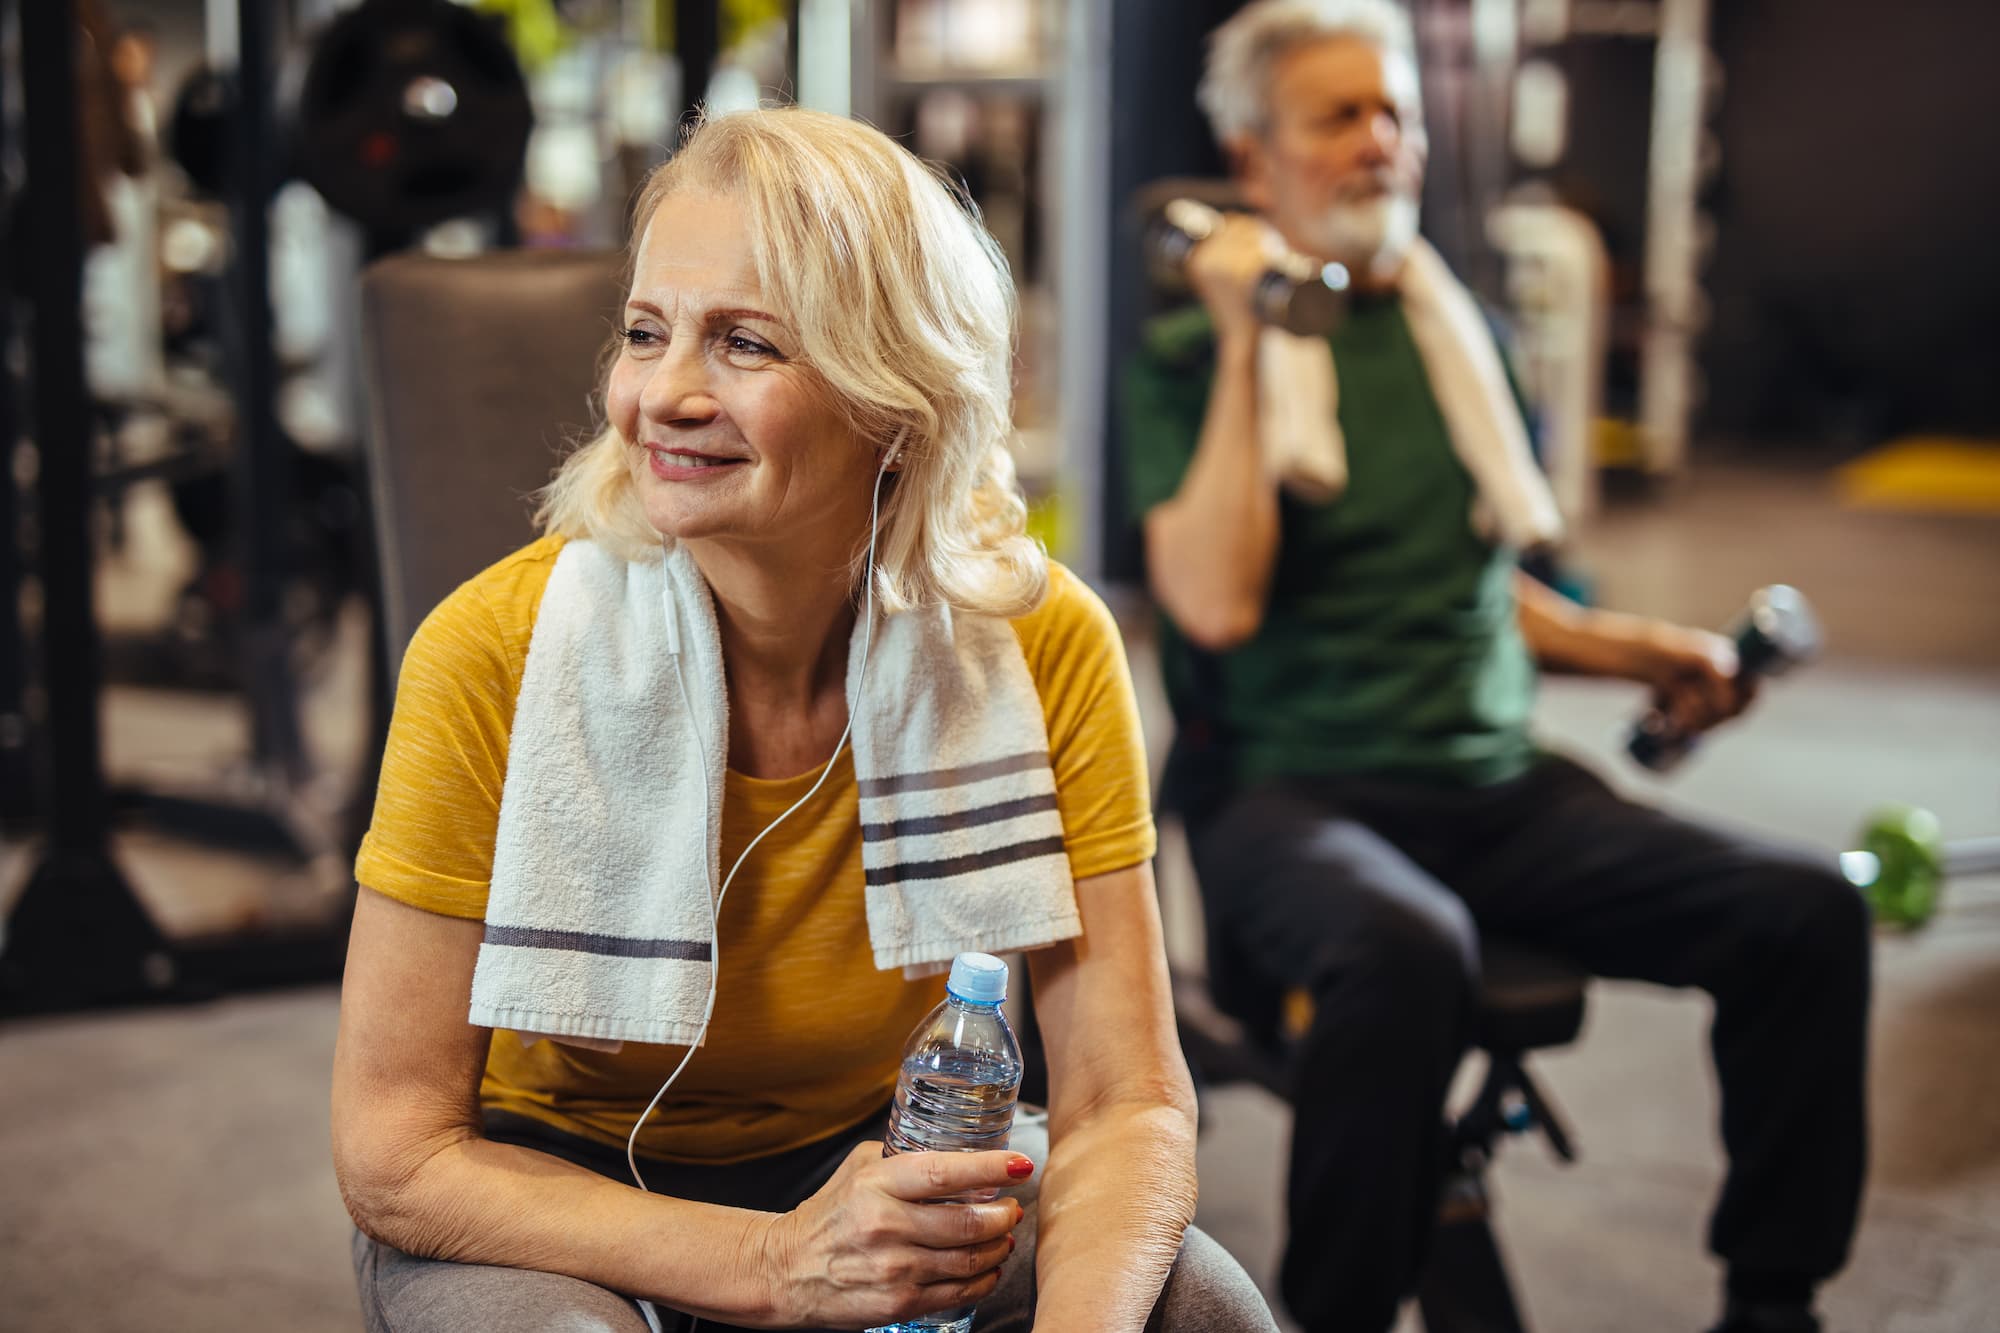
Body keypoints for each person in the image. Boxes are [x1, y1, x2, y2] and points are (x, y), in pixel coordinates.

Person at [333, 107, 1277, 1333]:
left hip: (881, 1149)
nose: (663, 394)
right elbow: (394, 1151)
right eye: (644, 333)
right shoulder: (489, 652)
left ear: (896, 401)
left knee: (1202, 1307)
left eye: (744, 345)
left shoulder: (1041, 643)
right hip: (556, 1182)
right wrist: (778, 1262)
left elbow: (1122, 1103)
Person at [1121, 4, 1871, 1332]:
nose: (1381, 143)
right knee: (1409, 949)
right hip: (1292, 799)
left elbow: (1470, 583)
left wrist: (1653, 650)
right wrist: (1252, 331)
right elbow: (1216, 602)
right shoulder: (1193, 361)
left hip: (1494, 782)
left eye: (1395, 112)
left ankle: (1774, 1303)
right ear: (1254, 161)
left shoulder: (1448, 331)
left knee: (1807, 912)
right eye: (1338, 116)